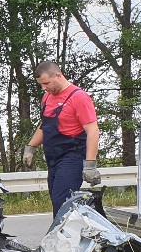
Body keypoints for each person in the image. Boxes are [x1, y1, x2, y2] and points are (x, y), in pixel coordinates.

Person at [22, 60, 102, 217]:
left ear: (58, 76)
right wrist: (30, 148)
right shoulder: (47, 97)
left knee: (62, 202)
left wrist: (90, 166)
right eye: (41, 84)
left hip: (72, 156)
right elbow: (45, 126)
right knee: (57, 202)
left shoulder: (79, 97)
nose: (44, 88)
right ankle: (71, 230)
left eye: (46, 83)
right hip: (53, 159)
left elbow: (93, 131)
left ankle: (64, 233)